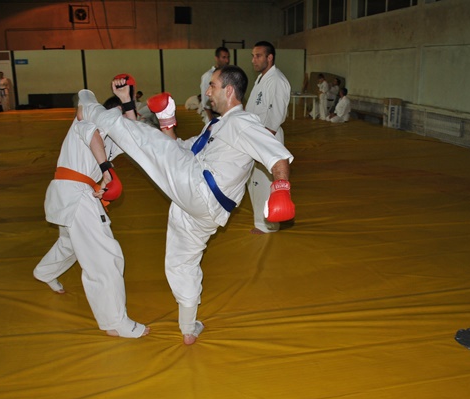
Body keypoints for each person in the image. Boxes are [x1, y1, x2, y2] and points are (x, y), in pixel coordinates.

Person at [77, 65, 295, 345]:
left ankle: (87, 106)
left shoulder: (242, 122)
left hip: (200, 189)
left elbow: (277, 156)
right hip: (201, 208)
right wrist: (166, 123)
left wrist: (281, 189)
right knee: (181, 263)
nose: (207, 92)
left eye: (213, 86)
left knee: (147, 141)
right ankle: (189, 327)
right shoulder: (216, 125)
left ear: (229, 90)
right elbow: (179, 150)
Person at [33, 96, 150, 339]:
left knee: (70, 243)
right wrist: (106, 169)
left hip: (72, 192)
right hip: (75, 193)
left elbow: (135, 133)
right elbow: (92, 132)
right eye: (116, 114)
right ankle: (114, 321)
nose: (118, 120)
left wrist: (128, 103)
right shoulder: (89, 119)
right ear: (108, 111)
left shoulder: (112, 137)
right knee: (104, 256)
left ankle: (45, 272)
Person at [245, 41, 291, 234]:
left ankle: (270, 225)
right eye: (253, 56)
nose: (253, 60)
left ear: (269, 57)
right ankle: (261, 222)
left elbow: (276, 115)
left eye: (258, 56)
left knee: (265, 182)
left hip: (267, 138)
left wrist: (262, 143)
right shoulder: (261, 79)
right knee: (254, 182)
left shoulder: (277, 80)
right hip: (256, 138)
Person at [199, 47, 230, 123]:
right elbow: (205, 101)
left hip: (226, 114)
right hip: (213, 116)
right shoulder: (208, 76)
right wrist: (211, 121)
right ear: (216, 58)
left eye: (228, 57)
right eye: (224, 57)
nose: (227, 60)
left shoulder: (228, 74)